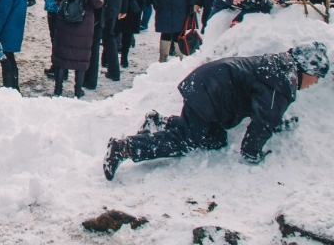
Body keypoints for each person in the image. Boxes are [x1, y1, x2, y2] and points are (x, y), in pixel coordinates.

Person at [104, 41, 329, 181]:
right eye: (316, 76)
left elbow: (265, 111)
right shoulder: (281, 84)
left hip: (209, 87)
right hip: (209, 93)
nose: (316, 82)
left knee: (216, 139)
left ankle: (160, 122)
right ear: (304, 70)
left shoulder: (280, 70)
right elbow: (263, 122)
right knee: (188, 140)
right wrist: (253, 154)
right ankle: (124, 148)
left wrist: (278, 123)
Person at [52, 0, 104, 97]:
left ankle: (58, 88)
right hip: (84, 21)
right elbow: (96, 2)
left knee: (62, 55)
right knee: (81, 57)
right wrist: (101, 0)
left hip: (65, 19)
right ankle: (77, 89)